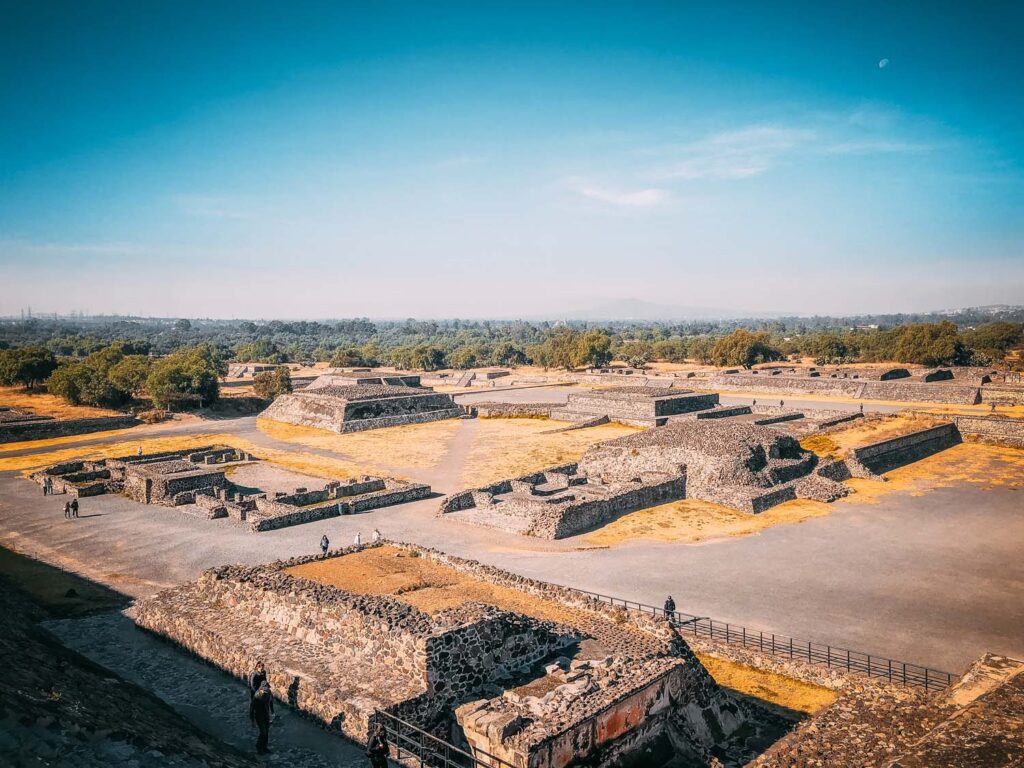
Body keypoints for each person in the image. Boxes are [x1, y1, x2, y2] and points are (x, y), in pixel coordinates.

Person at [249, 679, 274, 755]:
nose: (267, 690)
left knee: (266, 732)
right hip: (259, 716)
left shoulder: (269, 692)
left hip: (266, 715)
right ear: (261, 688)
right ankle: (259, 747)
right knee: (263, 732)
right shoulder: (257, 695)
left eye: (267, 688)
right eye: (265, 689)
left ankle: (264, 747)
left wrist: (272, 712)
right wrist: (252, 721)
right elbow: (251, 708)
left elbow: (271, 702)